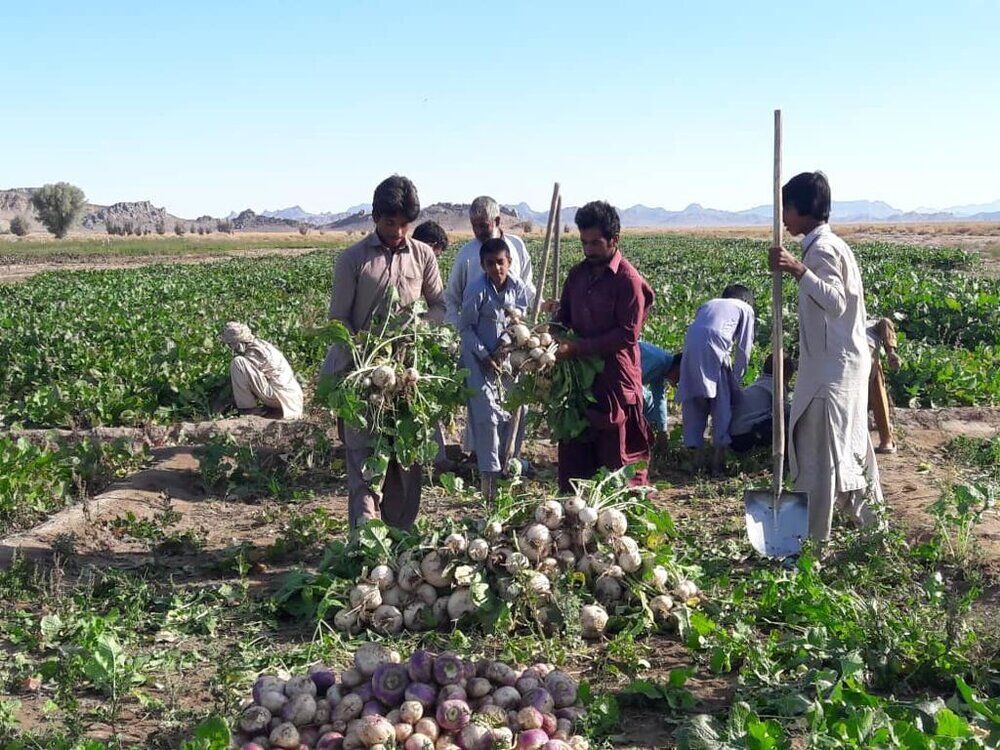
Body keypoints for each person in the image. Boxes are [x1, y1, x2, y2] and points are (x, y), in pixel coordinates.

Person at [321, 175, 445, 529]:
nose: (399, 231)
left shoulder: (422, 255)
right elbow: (339, 320)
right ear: (376, 217)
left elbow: (439, 306)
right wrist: (361, 346)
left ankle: (401, 540)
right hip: (363, 380)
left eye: (406, 224)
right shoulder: (352, 259)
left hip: (408, 378)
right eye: (391, 223)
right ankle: (365, 544)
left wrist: (419, 325)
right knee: (365, 463)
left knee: (406, 461)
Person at [770, 171, 883, 544]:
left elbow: (834, 301)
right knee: (850, 449)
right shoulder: (827, 245)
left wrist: (797, 269)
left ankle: (811, 545)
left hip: (831, 375)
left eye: (786, 208)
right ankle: (874, 532)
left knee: (821, 460)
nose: (783, 217)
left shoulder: (822, 250)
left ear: (804, 209)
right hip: (834, 367)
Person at [552, 201, 654, 491]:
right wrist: (549, 334)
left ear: (614, 240)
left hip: (615, 385)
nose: (589, 250)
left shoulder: (628, 280)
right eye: (584, 242)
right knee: (576, 466)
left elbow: (626, 335)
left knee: (618, 468)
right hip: (579, 387)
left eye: (596, 243)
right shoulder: (577, 275)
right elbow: (564, 318)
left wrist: (577, 348)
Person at [445, 196, 536, 466]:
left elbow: (527, 290)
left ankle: (511, 457)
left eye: (483, 225)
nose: (478, 231)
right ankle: (482, 460)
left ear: (496, 222)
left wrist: (537, 308)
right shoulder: (467, 255)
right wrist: (456, 331)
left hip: (513, 340)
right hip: (477, 340)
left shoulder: (517, 247)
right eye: (474, 226)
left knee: (515, 398)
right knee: (482, 405)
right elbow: (452, 297)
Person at [459, 238, 530, 501]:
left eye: (501, 262)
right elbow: (465, 329)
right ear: (483, 265)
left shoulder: (518, 287)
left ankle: (509, 468)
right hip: (477, 360)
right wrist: (484, 355)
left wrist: (506, 343)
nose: (497, 268)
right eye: (491, 264)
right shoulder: (476, 290)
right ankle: (488, 481)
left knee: (517, 408)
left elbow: (519, 321)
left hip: (507, 358)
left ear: (509, 262)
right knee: (486, 415)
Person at [675, 284, 756, 473]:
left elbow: (699, 330)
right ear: (746, 300)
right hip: (715, 350)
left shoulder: (708, 304)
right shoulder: (745, 308)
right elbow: (744, 347)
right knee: (722, 404)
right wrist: (737, 376)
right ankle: (717, 463)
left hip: (690, 353)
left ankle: (695, 460)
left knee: (694, 402)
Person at [412, 219, 457, 469]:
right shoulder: (413, 260)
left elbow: (438, 306)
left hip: (420, 339)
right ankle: (432, 459)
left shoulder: (421, 263)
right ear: (431, 245)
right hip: (406, 340)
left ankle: (433, 457)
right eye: (436, 253)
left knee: (422, 398)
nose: (435, 260)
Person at [219, 322, 304, 419]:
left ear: (237, 343)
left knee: (237, 363)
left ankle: (248, 410)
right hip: (292, 397)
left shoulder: (255, 352)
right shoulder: (262, 344)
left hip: (279, 396)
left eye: (231, 344)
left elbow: (249, 379)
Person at [729, 354, 796, 453]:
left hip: (733, 436)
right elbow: (785, 411)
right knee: (789, 418)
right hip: (748, 435)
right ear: (785, 374)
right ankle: (787, 456)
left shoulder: (758, 384)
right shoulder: (777, 386)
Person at [867, 316, 901, 454]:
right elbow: (885, 322)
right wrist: (891, 352)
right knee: (877, 384)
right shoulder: (869, 323)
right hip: (867, 359)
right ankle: (886, 439)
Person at [639, 342, 681, 433]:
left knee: (651, 405)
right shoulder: (658, 361)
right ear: (677, 368)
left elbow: (659, 398)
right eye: (679, 376)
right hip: (615, 374)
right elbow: (631, 380)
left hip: (628, 382)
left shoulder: (663, 367)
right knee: (645, 403)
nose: (677, 381)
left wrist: (663, 431)